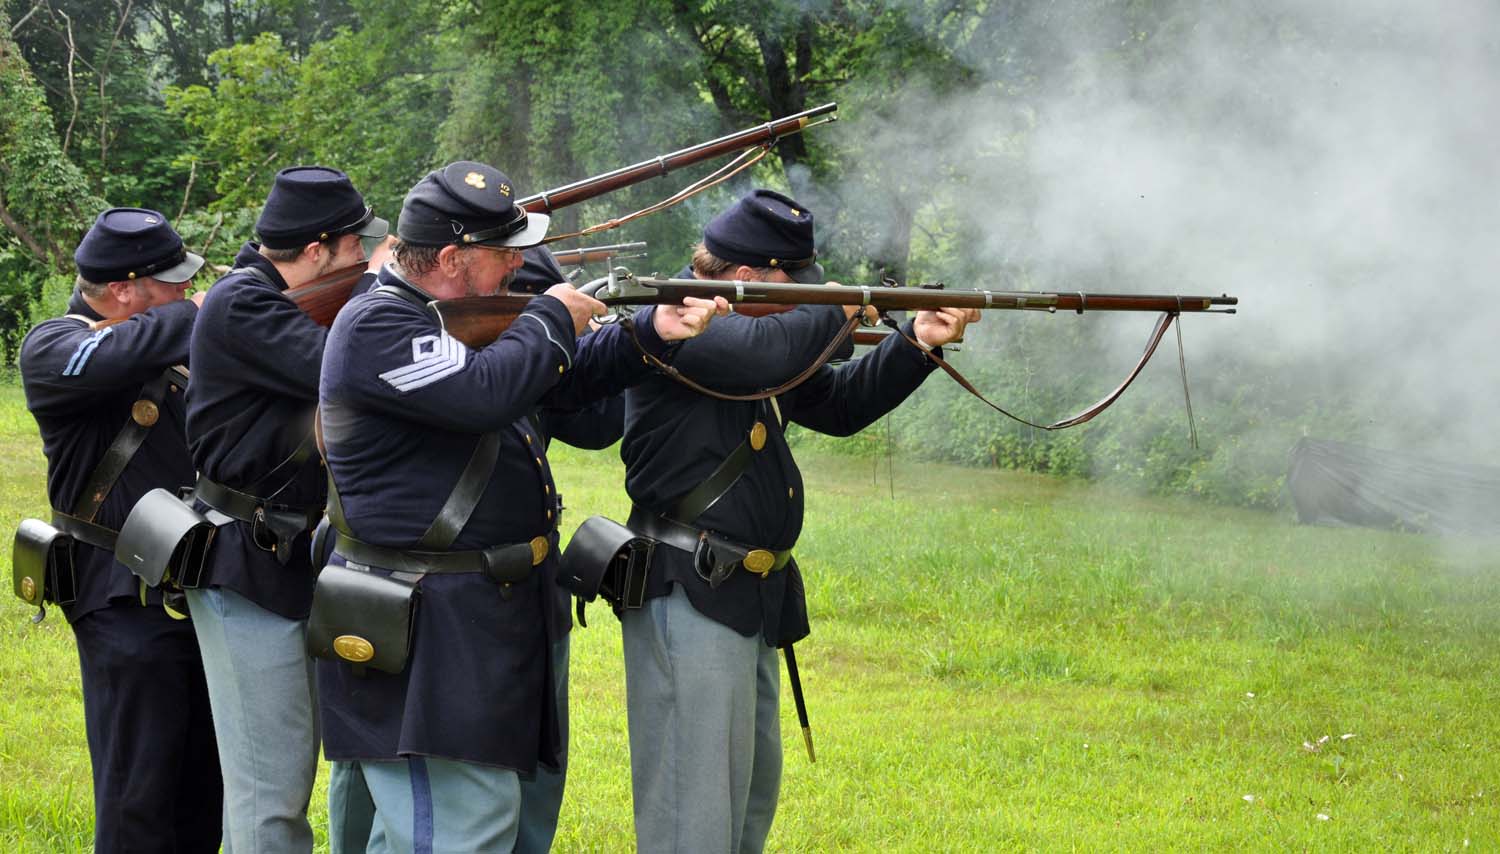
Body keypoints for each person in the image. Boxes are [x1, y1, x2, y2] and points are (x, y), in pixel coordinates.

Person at [314, 160, 723, 853]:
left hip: (493, 614)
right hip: (429, 622)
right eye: (503, 252)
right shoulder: (378, 324)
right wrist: (551, 316)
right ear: (449, 257)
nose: (517, 264)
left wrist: (651, 330)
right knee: (456, 834)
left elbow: (553, 385)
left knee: (490, 825)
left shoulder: (445, 322)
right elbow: (487, 392)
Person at [617, 189, 979, 853]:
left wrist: (916, 344)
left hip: (747, 597)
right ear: (747, 280)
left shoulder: (760, 336)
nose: (809, 297)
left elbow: (834, 403)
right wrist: (845, 304)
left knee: (747, 803)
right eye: (797, 286)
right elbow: (764, 354)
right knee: (691, 820)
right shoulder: (682, 318)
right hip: (690, 587)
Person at [184, 165, 387, 852]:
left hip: (295, 560)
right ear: (318, 249)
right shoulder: (243, 304)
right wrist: (392, 291)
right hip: (247, 565)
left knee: (273, 789)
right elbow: (347, 365)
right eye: (358, 246)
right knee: (269, 799)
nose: (363, 257)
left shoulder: (276, 298)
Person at [18, 208, 223, 852]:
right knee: (138, 791)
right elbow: (121, 351)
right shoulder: (54, 345)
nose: (185, 291)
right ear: (122, 289)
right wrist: (218, 305)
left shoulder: (173, 342)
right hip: (118, 597)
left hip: (201, 586)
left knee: (202, 788)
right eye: (171, 282)